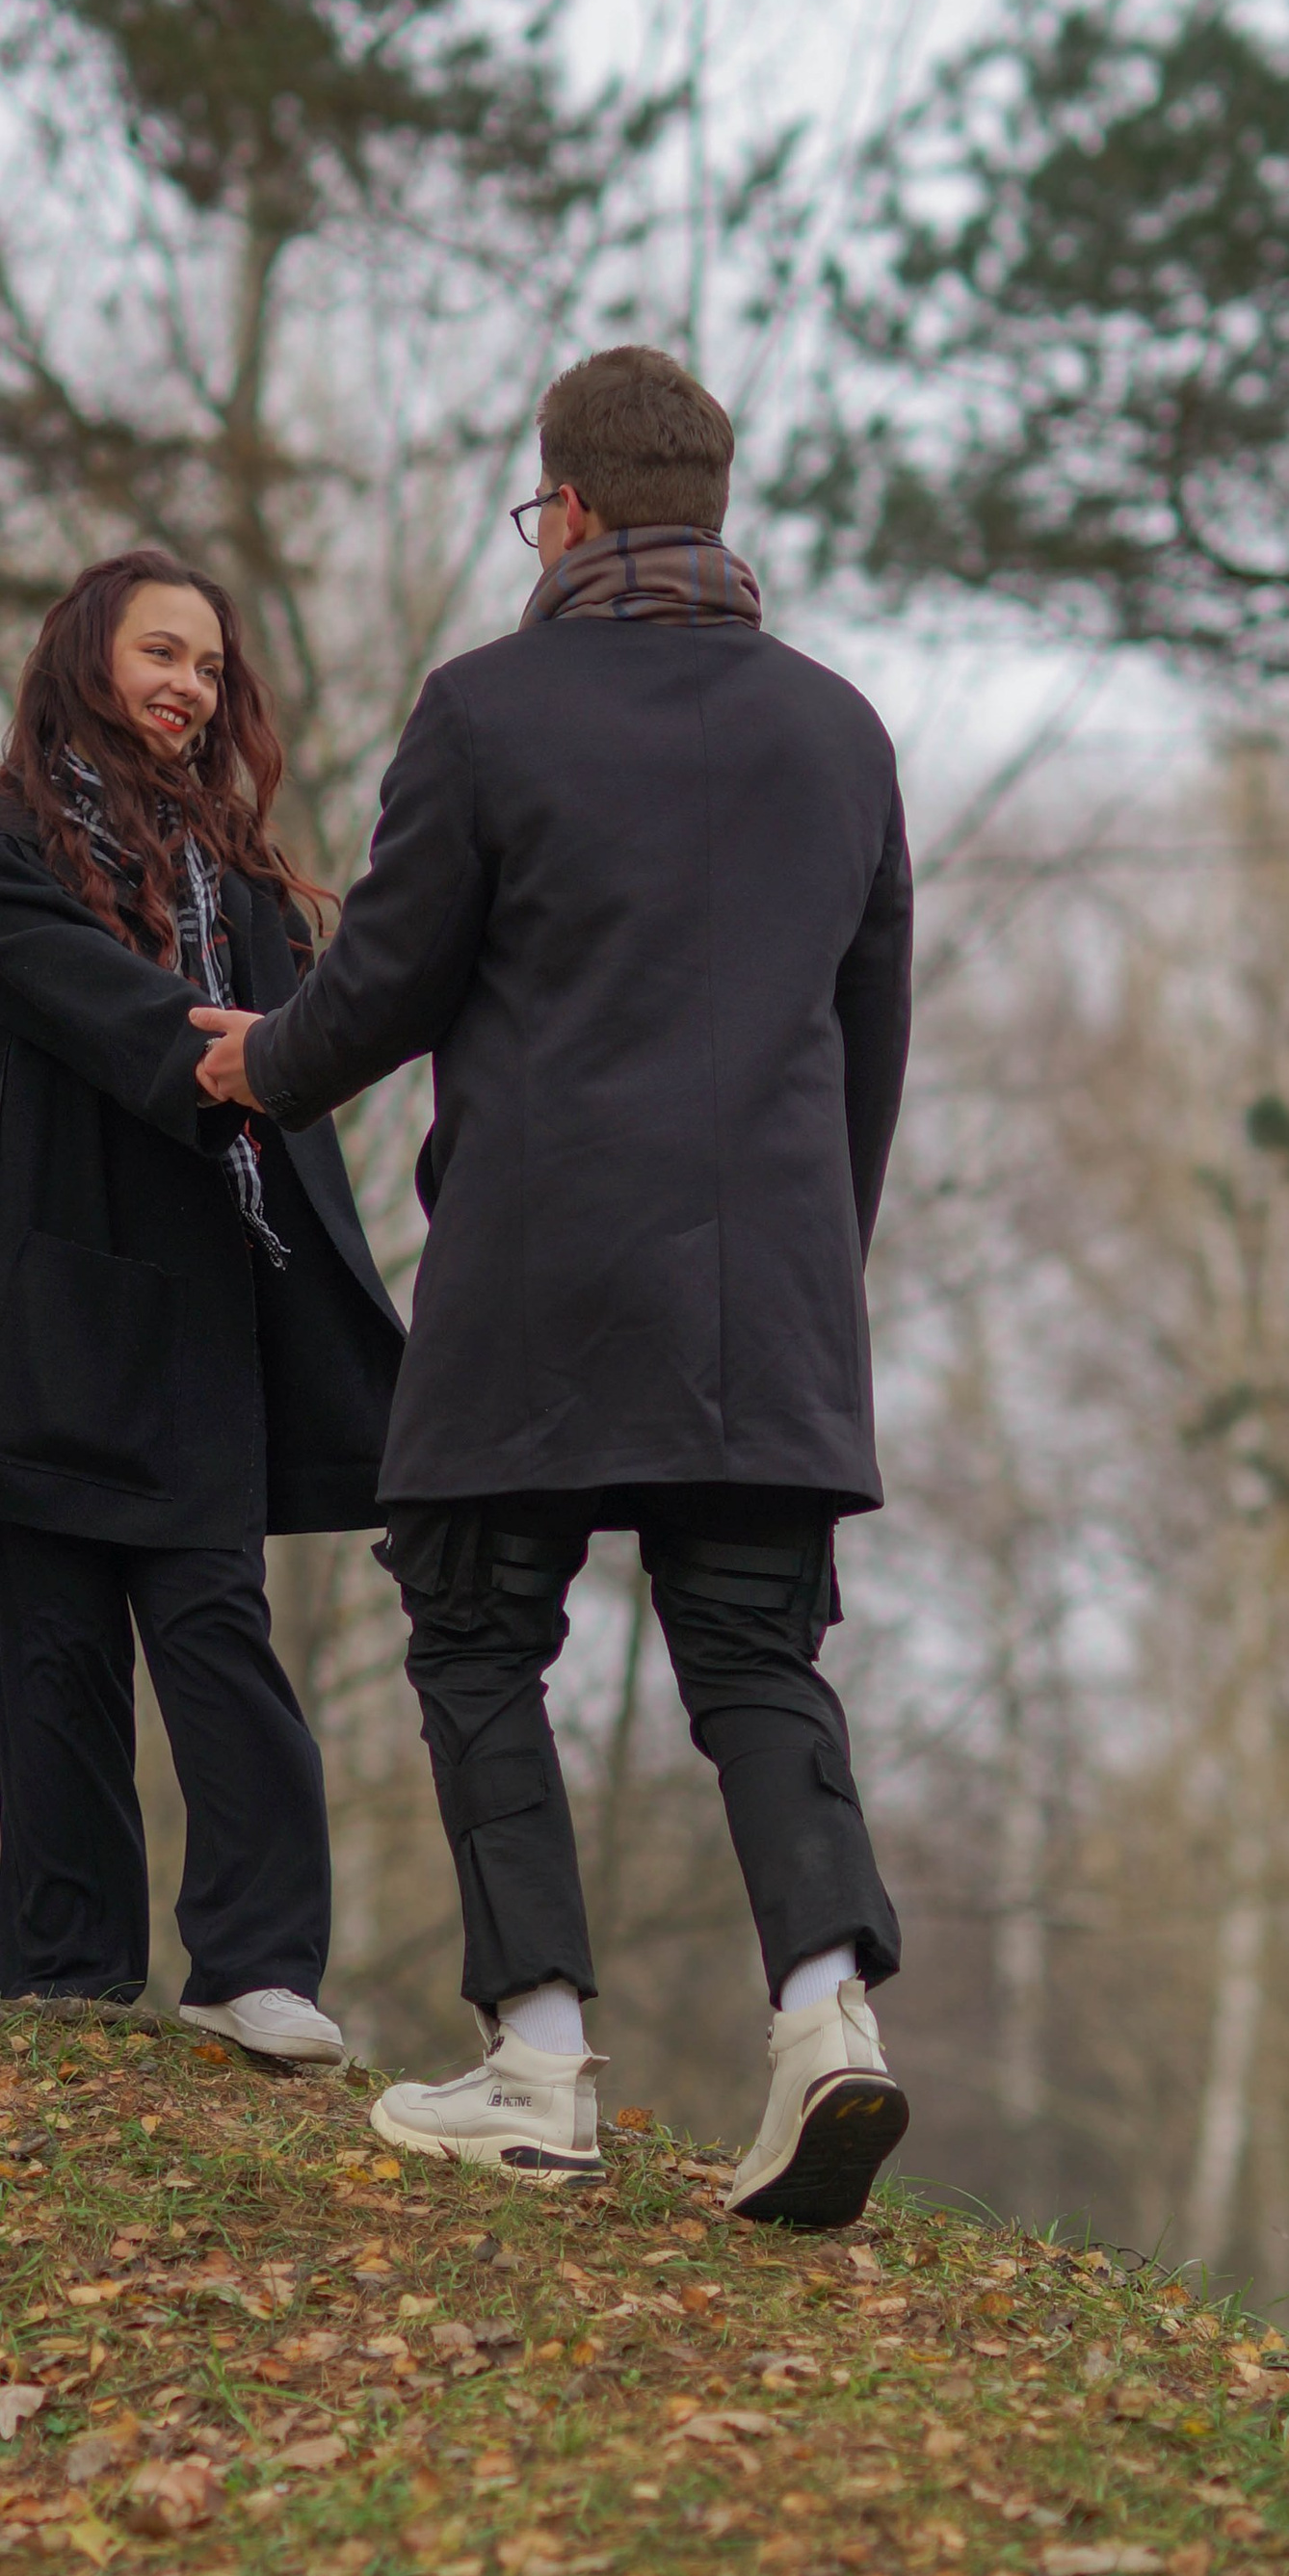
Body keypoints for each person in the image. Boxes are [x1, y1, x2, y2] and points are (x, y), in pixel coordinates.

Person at [192, 348, 913, 2223]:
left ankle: (535, 2058)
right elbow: (869, 1045)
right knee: (757, 1653)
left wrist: (251, 1062)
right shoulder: (837, 734)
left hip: (537, 1270)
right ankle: (827, 2019)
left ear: (566, 509)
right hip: (763, 1294)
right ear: (713, 509)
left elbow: (389, 985)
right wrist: (807, 1281)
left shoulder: (488, 713)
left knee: (471, 1623)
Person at [0, 549, 406, 2069]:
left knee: (218, 1638)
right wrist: (222, 1055)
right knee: (51, 1673)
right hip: (37, 1328)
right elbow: (91, 1001)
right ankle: (68, 1990)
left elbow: (315, 1047)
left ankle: (256, 1966)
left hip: (201, 1326)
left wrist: (296, 1045)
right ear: (85, 660)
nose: (188, 685)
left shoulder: (250, 886)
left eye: (209, 663)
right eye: (160, 652)